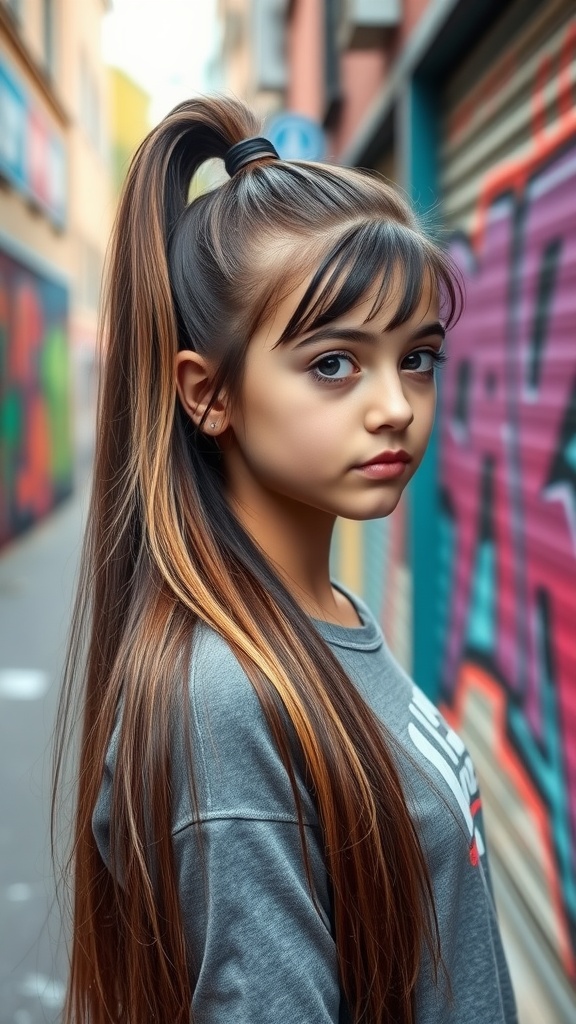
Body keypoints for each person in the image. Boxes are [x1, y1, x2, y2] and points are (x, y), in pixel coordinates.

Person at [53, 95, 517, 1024]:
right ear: (209, 394)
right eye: (335, 364)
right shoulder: (224, 695)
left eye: (417, 357)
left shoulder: (323, 613)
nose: (395, 405)